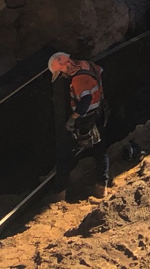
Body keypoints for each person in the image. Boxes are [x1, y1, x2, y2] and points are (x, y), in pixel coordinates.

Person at [50, 51, 109, 193]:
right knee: (101, 150)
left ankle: (60, 192)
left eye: (61, 72)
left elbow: (85, 100)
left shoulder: (78, 80)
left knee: (65, 154)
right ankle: (102, 187)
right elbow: (101, 71)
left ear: (65, 65)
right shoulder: (87, 64)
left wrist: (73, 118)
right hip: (99, 112)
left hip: (86, 119)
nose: (63, 76)